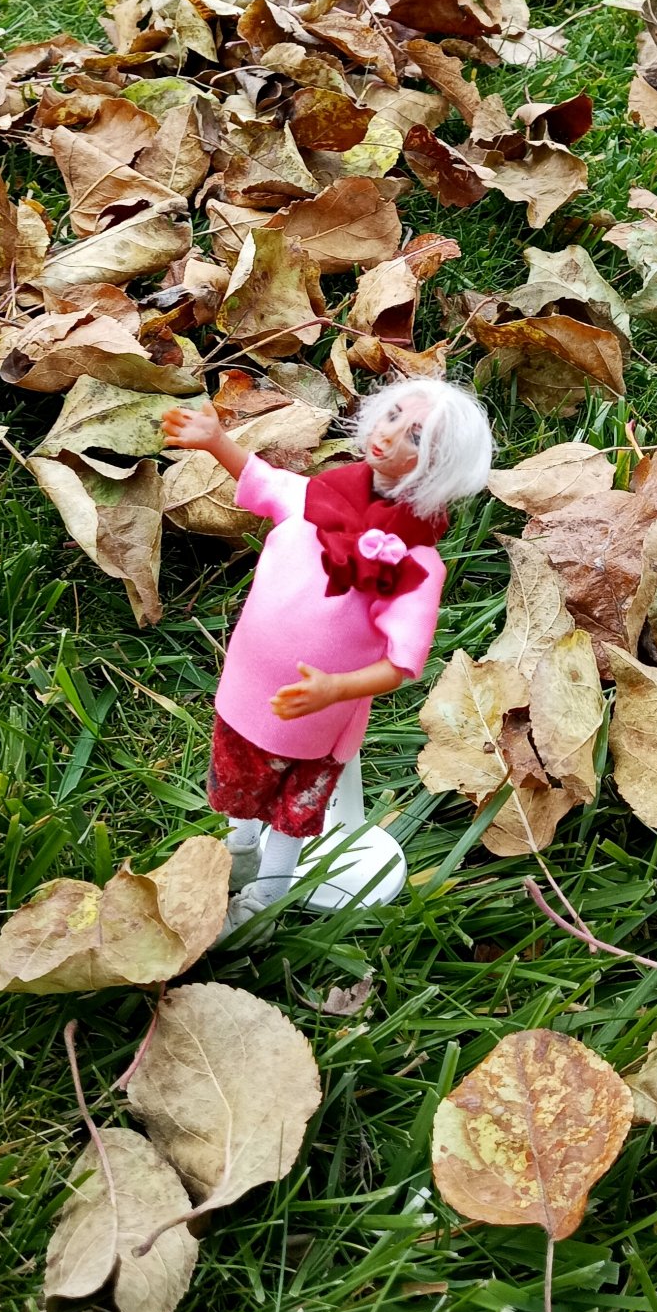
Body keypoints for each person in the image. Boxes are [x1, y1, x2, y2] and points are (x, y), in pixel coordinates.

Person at [161, 376, 492, 933]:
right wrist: (217, 439)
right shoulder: (319, 497)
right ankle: (236, 854)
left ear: (441, 464)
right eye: (390, 417)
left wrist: (335, 689)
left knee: (291, 808)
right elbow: (262, 479)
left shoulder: (414, 565)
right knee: (236, 775)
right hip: (246, 685)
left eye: (415, 436)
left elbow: (403, 662)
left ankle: (265, 901)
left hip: (314, 719)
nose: (388, 437)